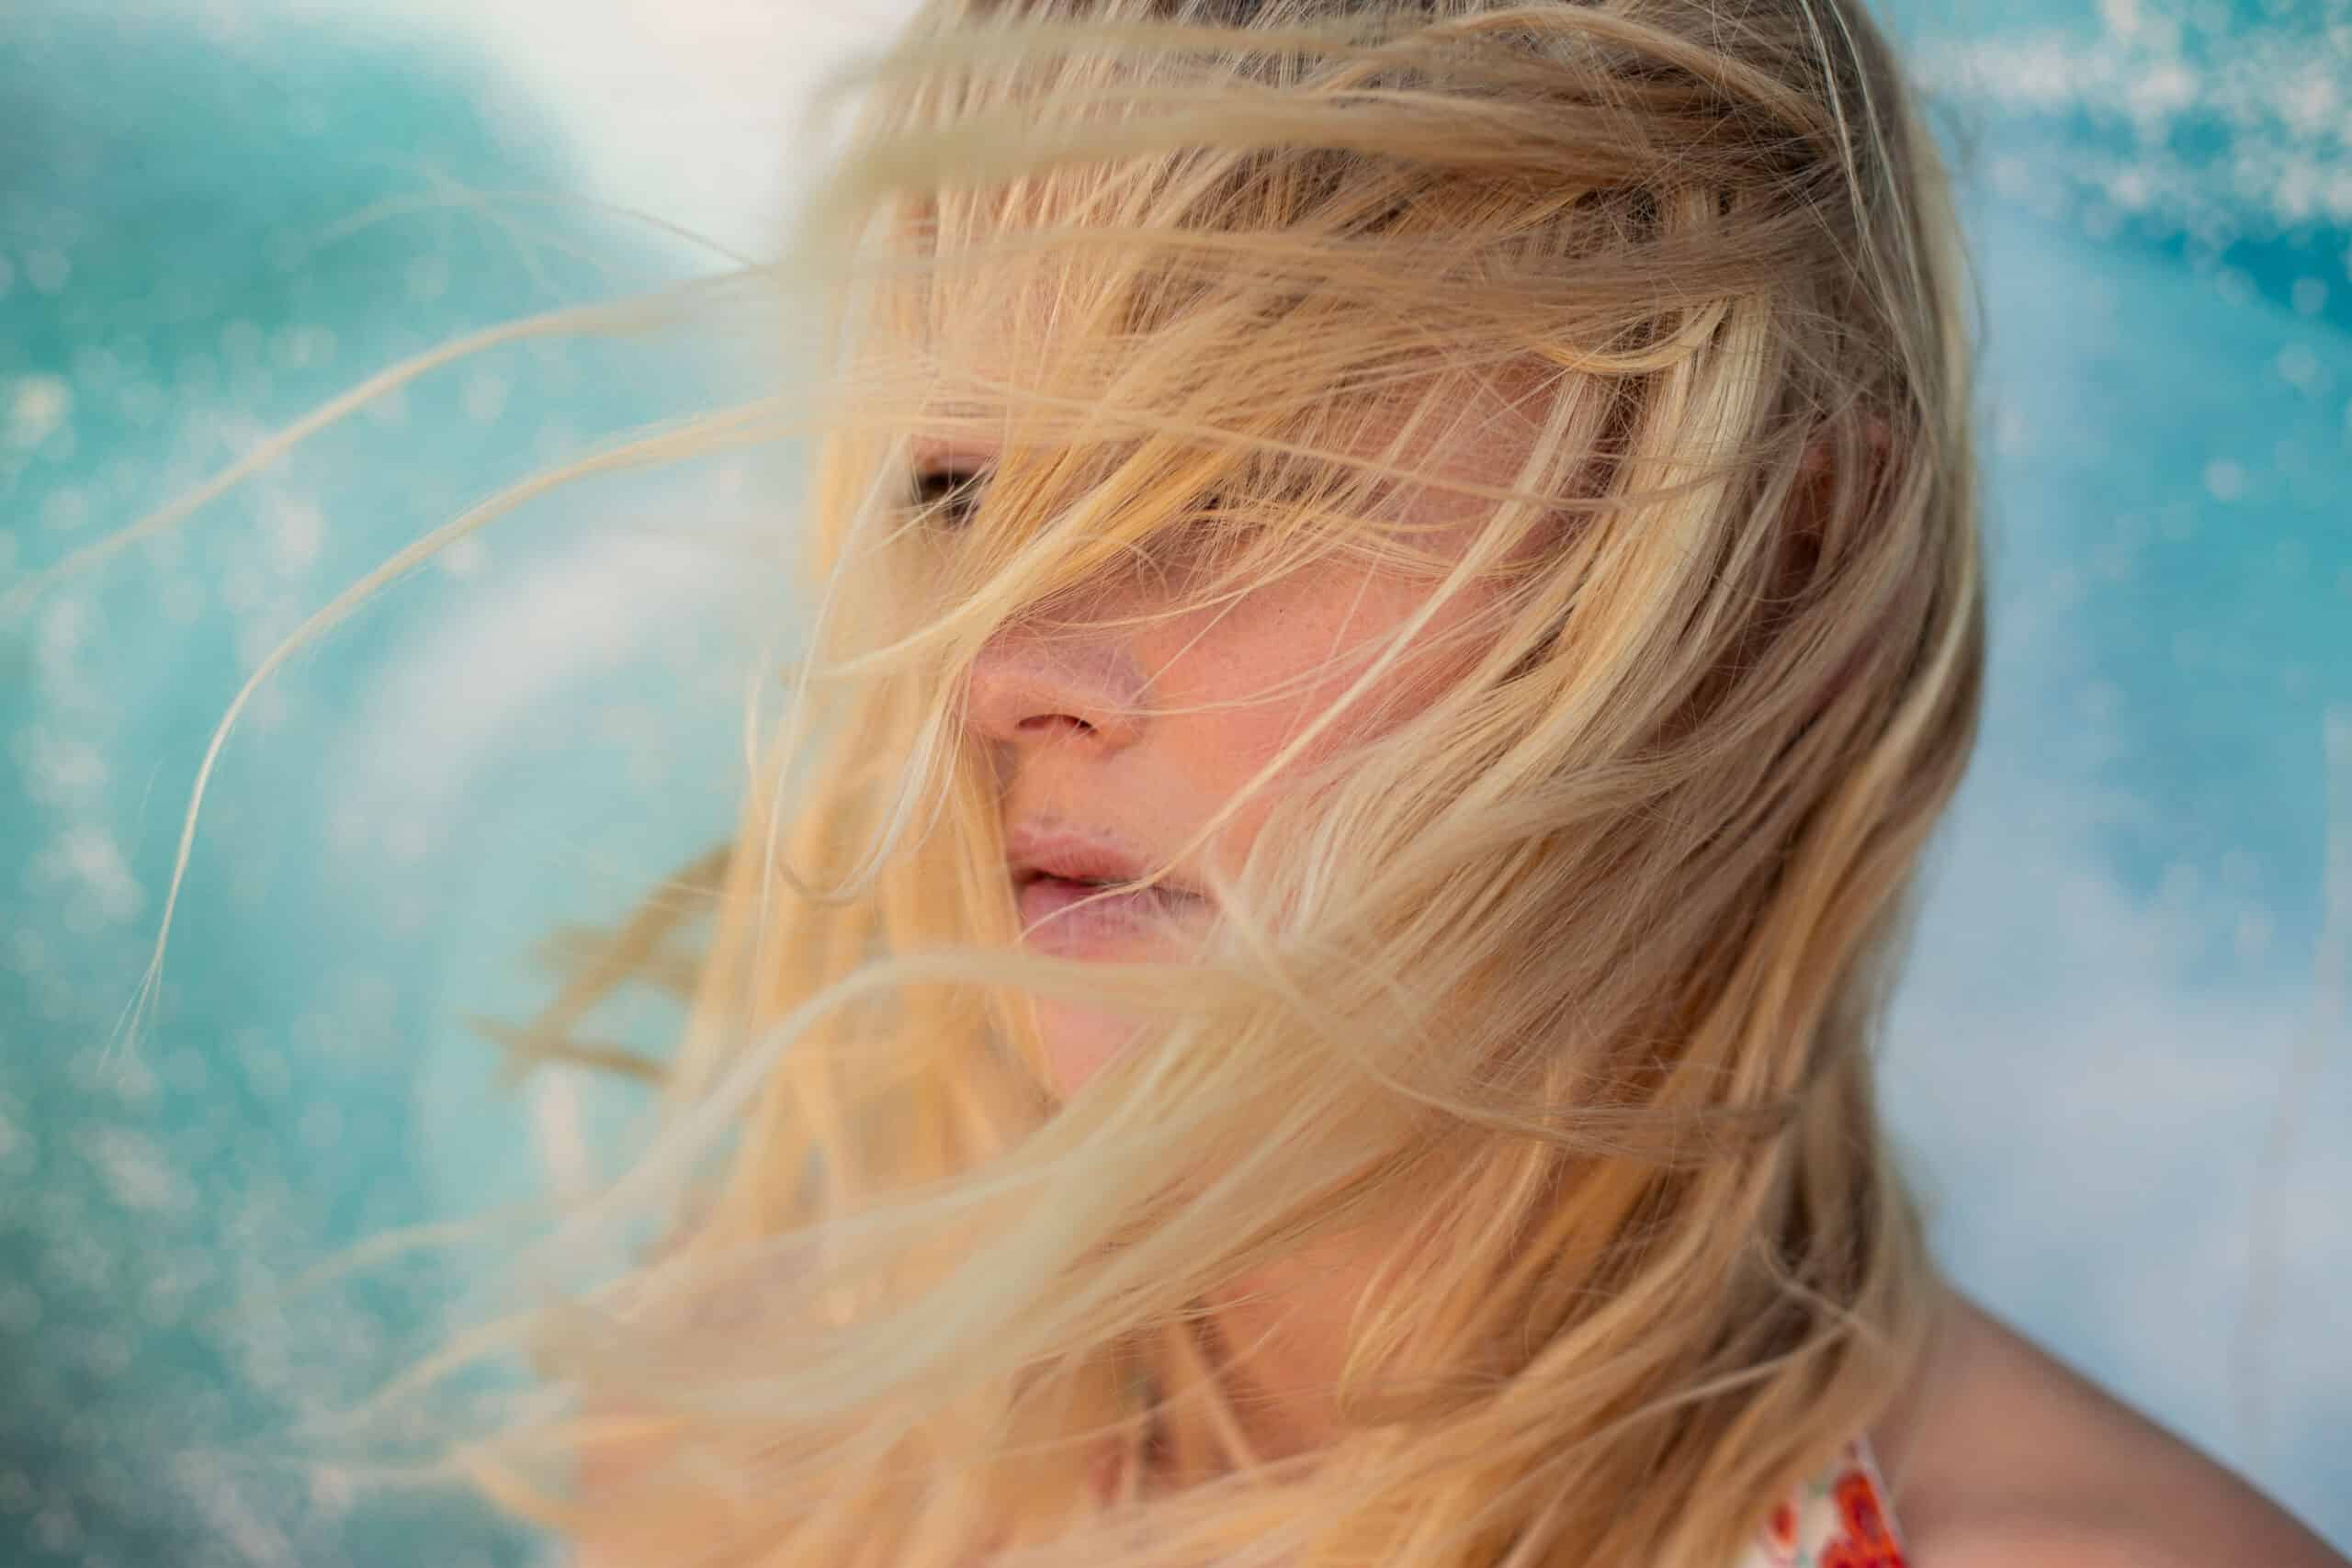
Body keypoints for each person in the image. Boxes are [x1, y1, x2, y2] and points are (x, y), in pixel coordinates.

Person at [401, 1, 2345, 1564]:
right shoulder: (760, 1449)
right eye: (960, 491)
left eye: (1229, 485)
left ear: (1779, 546)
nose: (1006, 667)